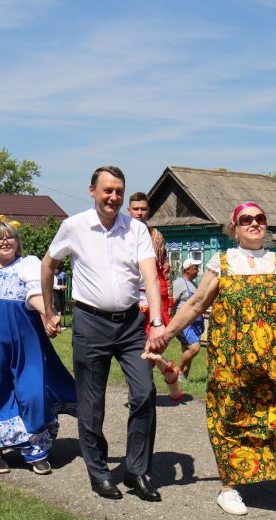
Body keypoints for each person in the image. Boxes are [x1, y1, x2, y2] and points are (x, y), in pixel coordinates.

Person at [165, 202, 276, 520]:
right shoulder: (222, 263)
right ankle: (228, 488)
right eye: (246, 219)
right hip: (233, 365)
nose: (254, 223)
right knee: (232, 420)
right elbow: (195, 304)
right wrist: (165, 334)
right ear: (234, 228)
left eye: (260, 218)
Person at [41, 166, 166, 502]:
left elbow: (150, 277)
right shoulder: (74, 226)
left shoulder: (136, 229)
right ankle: (99, 473)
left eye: (118, 191)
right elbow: (48, 264)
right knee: (92, 403)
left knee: (144, 393)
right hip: (90, 324)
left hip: (130, 325)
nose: (113, 197)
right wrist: (48, 309)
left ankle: (136, 470)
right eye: (107, 190)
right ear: (92, 191)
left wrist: (156, 321)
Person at [0, 217, 76, 473]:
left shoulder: (28, 265)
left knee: (32, 391)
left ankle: (36, 450)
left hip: (24, 342)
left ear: (18, 241)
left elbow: (35, 295)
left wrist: (49, 314)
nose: (5, 241)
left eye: (10, 237)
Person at [129, 192, 183, 401]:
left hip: (154, 297)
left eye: (143, 209)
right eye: (136, 209)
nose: (139, 213)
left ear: (148, 211)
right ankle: (163, 373)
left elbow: (165, 269)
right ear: (129, 211)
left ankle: (143, 390)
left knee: (153, 343)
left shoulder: (156, 236)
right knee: (135, 346)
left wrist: (168, 302)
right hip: (130, 297)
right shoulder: (122, 233)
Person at [170, 257, 205, 380]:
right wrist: (171, 321)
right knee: (194, 349)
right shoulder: (179, 283)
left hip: (194, 323)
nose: (198, 271)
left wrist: (201, 322)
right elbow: (172, 303)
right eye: (195, 268)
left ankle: (183, 378)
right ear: (188, 269)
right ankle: (177, 370)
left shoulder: (194, 284)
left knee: (187, 350)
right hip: (184, 323)